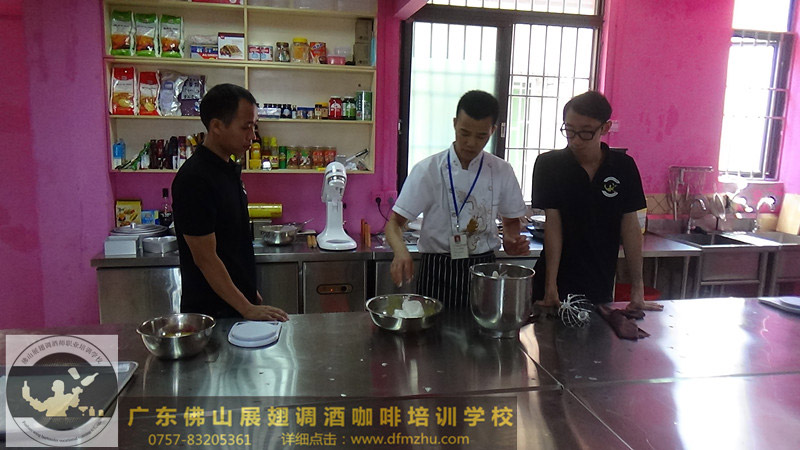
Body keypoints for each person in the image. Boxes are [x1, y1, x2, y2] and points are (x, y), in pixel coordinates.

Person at [386, 90, 530, 309]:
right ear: (454, 124)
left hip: (484, 269)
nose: (471, 143)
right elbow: (394, 223)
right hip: (437, 269)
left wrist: (511, 240)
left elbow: (511, 222)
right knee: (435, 329)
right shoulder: (428, 170)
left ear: (492, 131)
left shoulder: (502, 170)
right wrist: (400, 251)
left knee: (483, 328)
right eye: (464, 133)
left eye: (481, 136)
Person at [530, 90, 662, 311]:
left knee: (598, 332)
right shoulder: (549, 165)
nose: (575, 140)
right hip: (555, 280)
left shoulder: (623, 167)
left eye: (586, 132)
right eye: (569, 130)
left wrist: (637, 288)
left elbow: (630, 227)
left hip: (600, 280)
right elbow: (554, 224)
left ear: (605, 128)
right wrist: (550, 286)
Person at [172, 83, 289, 321]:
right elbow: (206, 259)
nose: (253, 136)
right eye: (246, 127)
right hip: (212, 314)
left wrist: (247, 291)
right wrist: (245, 307)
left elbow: (232, 241)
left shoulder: (228, 169)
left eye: (254, 126)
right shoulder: (195, 179)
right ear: (216, 126)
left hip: (236, 305)